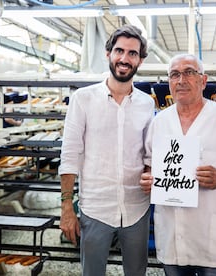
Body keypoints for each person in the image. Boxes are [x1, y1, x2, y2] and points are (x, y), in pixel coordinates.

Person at [140, 53, 216, 276]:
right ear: (169, 82)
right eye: (175, 74)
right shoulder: (159, 122)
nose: (181, 80)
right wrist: (149, 179)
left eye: (189, 72)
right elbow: (150, 165)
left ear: (203, 81)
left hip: (213, 238)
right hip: (172, 235)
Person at [58, 25, 155, 276]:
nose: (124, 59)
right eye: (119, 51)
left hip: (137, 208)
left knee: (136, 272)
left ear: (140, 60)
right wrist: (67, 208)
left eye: (132, 53)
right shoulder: (83, 98)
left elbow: (149, 153)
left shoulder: (146, 103)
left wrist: (150, 172)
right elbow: (69, 154)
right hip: (95, 209)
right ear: (108, 53)